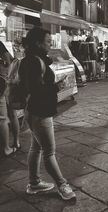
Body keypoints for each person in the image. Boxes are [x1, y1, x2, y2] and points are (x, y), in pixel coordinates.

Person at [19, 27, 76, 200]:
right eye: (47, 41)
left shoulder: (30, 60)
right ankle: (62, 185)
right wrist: (58, 86)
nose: (50, 44)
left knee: (36, 147)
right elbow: (37, 90)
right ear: (38, 43)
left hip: (34, 110)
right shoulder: (35, 62)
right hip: (40, 111)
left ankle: (34, 182)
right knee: (49, 151)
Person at [0, 42, 19, 156]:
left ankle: (11, 145)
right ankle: (13, 143)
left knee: (7, 116)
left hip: (4, 84)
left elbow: (9, 61)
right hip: (4, 82)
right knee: (9, 115)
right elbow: (9, 61)